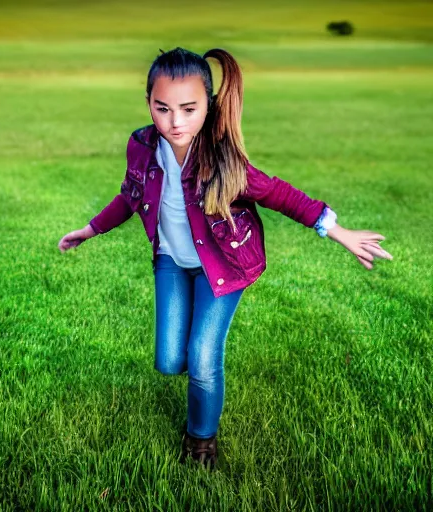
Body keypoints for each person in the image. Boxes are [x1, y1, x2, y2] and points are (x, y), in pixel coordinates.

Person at [58, 47, 393, 471]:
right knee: (168, 361)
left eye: (188, 108)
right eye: (162, 108)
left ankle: (201, 440)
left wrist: (338, 231)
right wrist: (89, 230)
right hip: (171, 263)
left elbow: (279, 193)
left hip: (223, 267)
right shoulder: (141, 146)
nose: (175, 122)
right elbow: (131, 195)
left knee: (202, 358)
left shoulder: (221, 157)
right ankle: (196, 358)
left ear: (208, 106)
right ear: (148, 103)